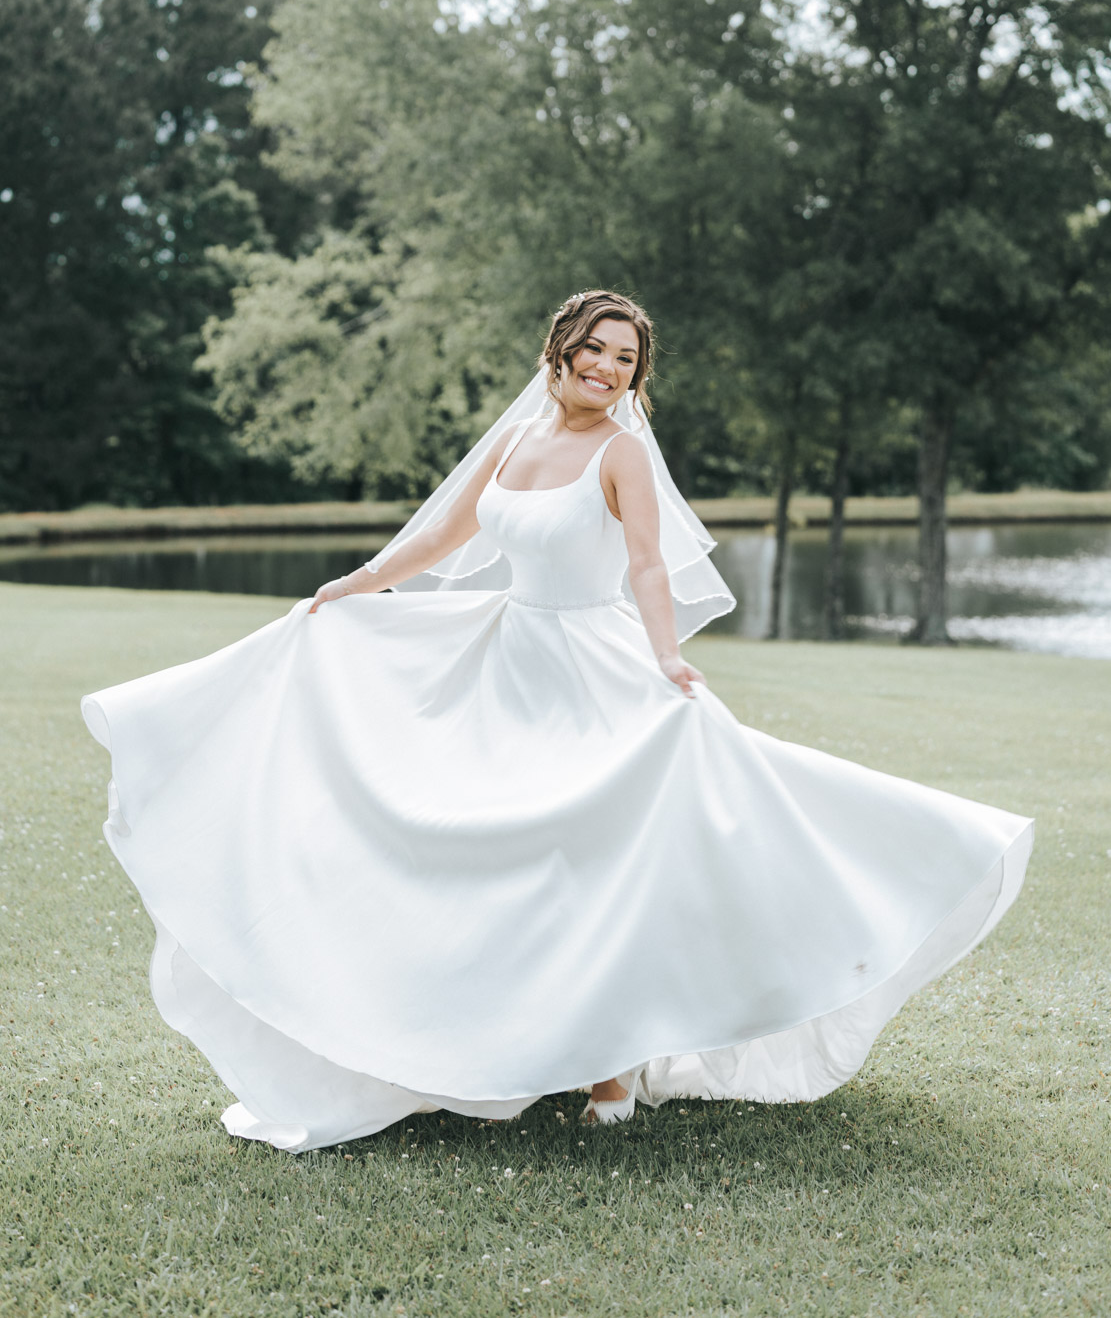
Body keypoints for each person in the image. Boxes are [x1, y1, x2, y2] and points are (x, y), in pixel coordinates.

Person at [82, 290, 1032, 1151]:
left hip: (595, 663)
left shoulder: (621, 452)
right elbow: (444, 534)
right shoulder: (515, 444)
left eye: (626, 358)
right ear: (561, 349)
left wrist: (663, 656)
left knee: (599, 851)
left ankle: (609, 1070)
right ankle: (482, 1039)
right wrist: (361, 583)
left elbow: (649, 566)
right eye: (596, 348)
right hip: (505, 660)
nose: (608, 368)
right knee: (479, 846)